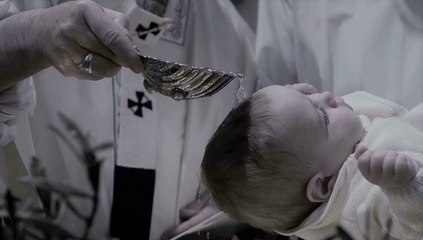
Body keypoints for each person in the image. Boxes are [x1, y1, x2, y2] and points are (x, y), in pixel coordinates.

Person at [201, 83, 423, 240]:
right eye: (323, 118)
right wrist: (406, 188)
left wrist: (293, 100)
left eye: (306, 96)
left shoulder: (337, 147)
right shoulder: (364, 203)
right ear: (324, 184)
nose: (325, 95)